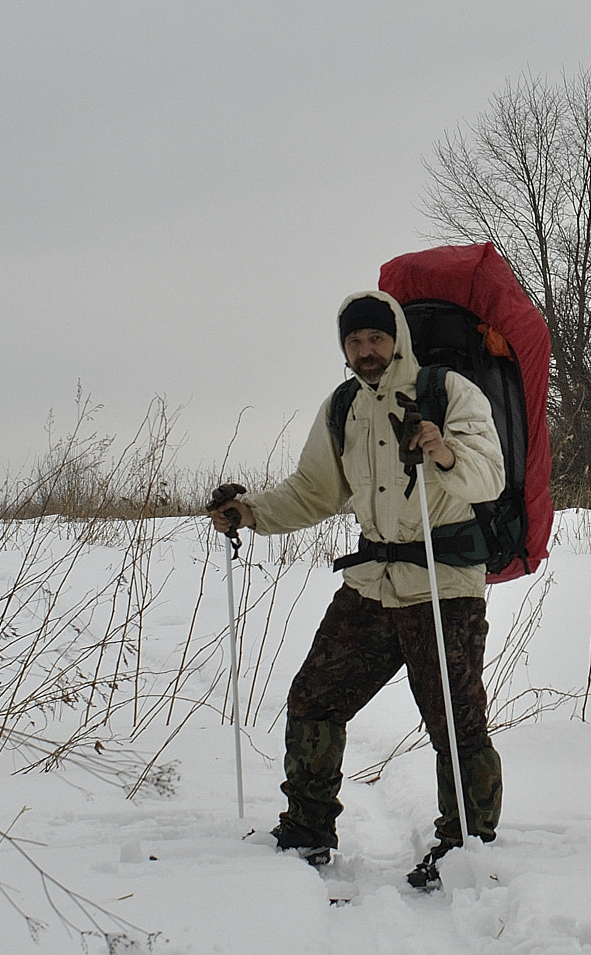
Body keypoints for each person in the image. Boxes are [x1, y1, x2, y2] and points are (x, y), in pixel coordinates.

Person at [208, 290, 506, 888]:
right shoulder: (343, 405)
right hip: (371, 585)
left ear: (396, 337)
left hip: (443, 584)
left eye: (375, 338)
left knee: (454, 720)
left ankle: (466, 846)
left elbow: (489, 476)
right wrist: (250, 514)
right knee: (315, 699)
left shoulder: (447, 392)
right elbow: (313, 491)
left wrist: (441, 451)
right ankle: (306, 833)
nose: (366, 351)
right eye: (354, 341)